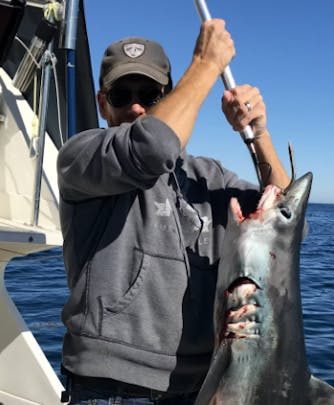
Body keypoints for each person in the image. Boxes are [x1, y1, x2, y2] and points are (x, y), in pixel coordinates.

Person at [57, 19, 290, 404]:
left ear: (168, 96)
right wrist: (205, 64)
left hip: (202, 387)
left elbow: (283, 221)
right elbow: (150, 148)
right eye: (121, 93)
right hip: (109, 388)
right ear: (102, 103)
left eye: (149, 95)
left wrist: (259, 136)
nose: (135, 105)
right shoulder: (82, 158)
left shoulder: (209, 176)